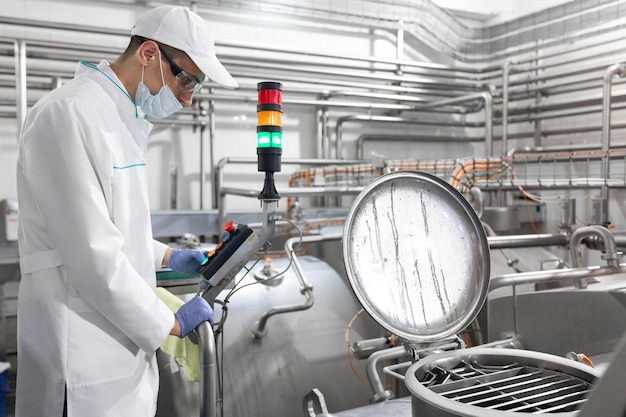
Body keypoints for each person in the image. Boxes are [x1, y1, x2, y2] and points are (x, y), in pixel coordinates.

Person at [15, 6, 238, 417]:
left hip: (119, 359)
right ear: (149, 55)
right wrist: (168, 321)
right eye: (186, 79)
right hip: (79, 365)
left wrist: (167, 256)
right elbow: (92, 255)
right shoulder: (68, 114)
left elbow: (110, 227)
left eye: (196, 85)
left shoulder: (121, 119)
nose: (188, 98)